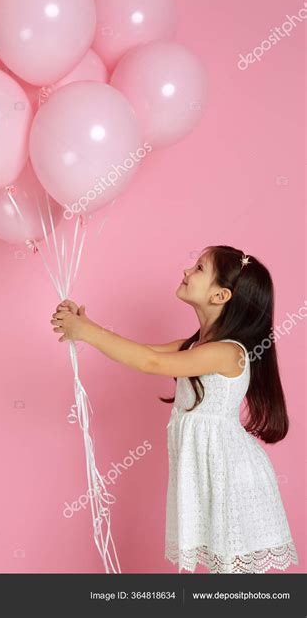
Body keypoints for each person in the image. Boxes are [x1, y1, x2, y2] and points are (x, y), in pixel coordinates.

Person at [50, 244, 299, 574]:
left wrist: (88, 333)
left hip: (229, 475)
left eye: (198, 269)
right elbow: (141, 351)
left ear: (220, 296)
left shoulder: (227, 352)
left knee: (232, 569)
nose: (186, 272)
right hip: (207, 470)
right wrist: (87, 326)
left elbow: (151, 362)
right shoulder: (195, 346)